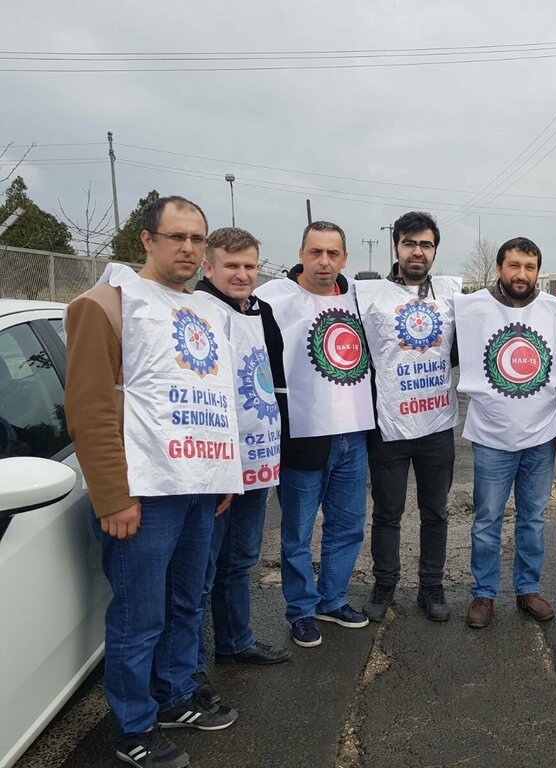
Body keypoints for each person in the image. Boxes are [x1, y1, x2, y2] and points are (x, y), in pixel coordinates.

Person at [66, 196, 240, 768]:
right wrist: (114, 496)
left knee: (188, 601)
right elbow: (89, 408)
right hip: (144, 494)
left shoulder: (207, 310)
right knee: (140, 616)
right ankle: (133, 724)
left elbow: (217, 400)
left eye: (197, 239)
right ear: (146, 240)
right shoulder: (105, 305)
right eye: (176, 237)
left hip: (197, 485)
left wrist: (223, 475)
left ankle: (176, 694)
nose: (188, 248)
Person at [255, 221, 375, 648]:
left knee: (347, 527)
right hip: (302, 435)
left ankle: (333, 599)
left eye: (333, 253)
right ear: (302, 253)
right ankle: (301, 610)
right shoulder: (271, 298)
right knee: (298, 533)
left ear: (344, 258)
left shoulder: (359, 300)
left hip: (353, 435)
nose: (324, 262)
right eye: (316, 252)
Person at [454, 237, 556, 628]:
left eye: (530, 266)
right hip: (491, 437)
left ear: (538, 271)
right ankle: (483, 594)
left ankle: (528, 589)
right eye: (514, 265)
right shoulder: (470, 309)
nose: (522, 274)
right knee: (487, 519)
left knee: (533, 518)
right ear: (500, 269)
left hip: (541, 435)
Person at [192, 227, 291, 689]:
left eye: (250, 265)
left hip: (259, 458)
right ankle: (188, 670)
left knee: (241, 558)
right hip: (216, 466)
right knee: (200, 571)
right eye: (231, 266)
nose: (242, 274)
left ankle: (235, 641)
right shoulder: (197, 312)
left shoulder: (260, 310)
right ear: (207, 267)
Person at [355, 212, 461, 622]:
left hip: (436, 426)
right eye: (410, 243)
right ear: (396, 246)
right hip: (389, 426)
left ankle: (431, 587)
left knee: (436, 512)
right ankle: (384, 585)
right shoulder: (369, 296)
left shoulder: (452, 295)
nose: (418, 251)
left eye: (427, 244)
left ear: (435, 250)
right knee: (387, 513)